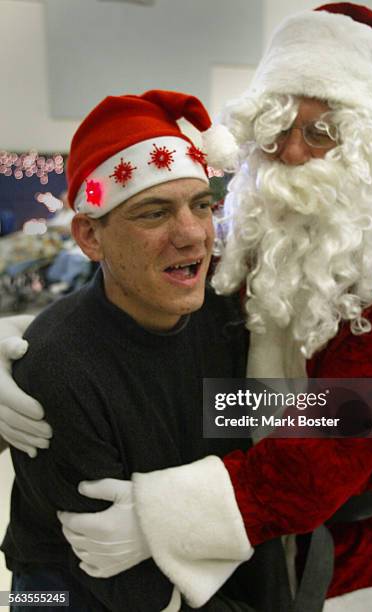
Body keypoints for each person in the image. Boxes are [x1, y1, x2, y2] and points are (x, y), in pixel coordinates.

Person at [0, 3, 372, 611]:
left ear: (360, 146)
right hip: (225, 563)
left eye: (318, 132)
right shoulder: (232, 229)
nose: (289, 152)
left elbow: (343, 433)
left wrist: (169, 514)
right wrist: (31, 345)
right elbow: (136, 299)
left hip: (354, 561)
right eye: (275, 126)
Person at [0, 89, 295, 612]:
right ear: (91, 237)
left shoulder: (227, 320)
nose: (192, 235)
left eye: (202, 205)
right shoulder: (58, 365)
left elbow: (303, 416)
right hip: (62, 583)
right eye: (154, 213)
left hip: (187, 563)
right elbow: (123, 584)